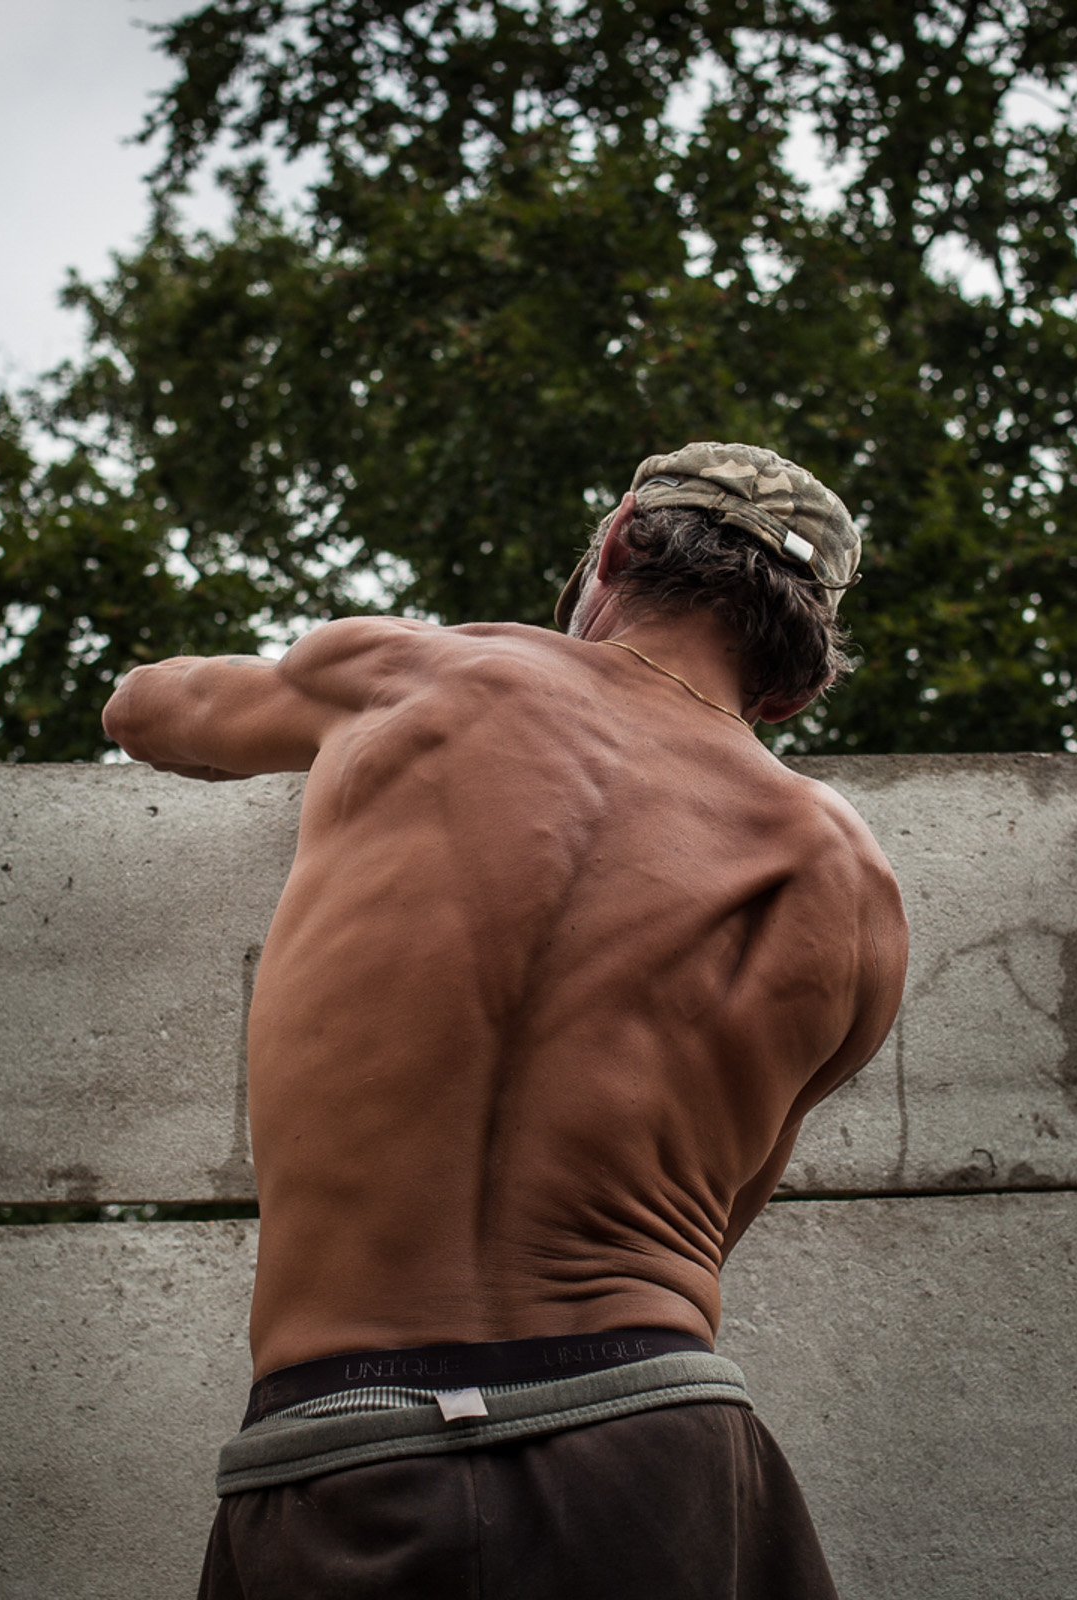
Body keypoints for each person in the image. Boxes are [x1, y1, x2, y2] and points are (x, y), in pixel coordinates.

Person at [102, 442, 908, 1599]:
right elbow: (717, 1218)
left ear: (619, 543)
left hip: (347, 1442)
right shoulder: (847, 880)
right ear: (794, 686)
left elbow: (144, 711)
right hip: (657, 1443)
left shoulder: (414, 673)